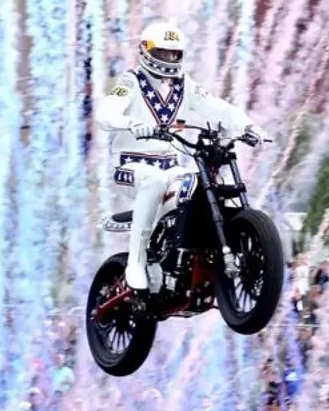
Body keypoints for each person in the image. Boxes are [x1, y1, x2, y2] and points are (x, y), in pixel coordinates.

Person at [94, 21, 268, 292]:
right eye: (162, 52)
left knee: (199, 185)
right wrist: (130, 123)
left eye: (173, 53)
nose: (168, 58)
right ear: (145, 49)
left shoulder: (185, 85)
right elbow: (106, 112)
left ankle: (187, 251)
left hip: (171, 167)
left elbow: (218, 107)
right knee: (153, 181)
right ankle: (136, 262)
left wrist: (249, 127)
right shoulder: (130, 82)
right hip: (131, 168)